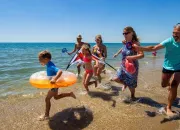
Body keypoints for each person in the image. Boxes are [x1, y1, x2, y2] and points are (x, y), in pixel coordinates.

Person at [133, 23, 180, 116]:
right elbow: (154, 48)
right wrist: (140, 48)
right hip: (167, 66)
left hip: (178, 67)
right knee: (164, 84)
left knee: (174, 85)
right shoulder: (169, 41)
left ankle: (169, 108)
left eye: (176, 33)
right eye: (173, 32)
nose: (174, 34)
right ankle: (170, 86)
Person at [38, 50, 76, 121]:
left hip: (54, 85)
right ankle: (70, 94)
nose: (39, 60)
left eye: (40, 59)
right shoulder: (49, 64)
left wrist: (54, 79)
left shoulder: (50, 66)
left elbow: (60, 71)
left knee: (47, 99)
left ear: (46, 59)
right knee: (56, 97)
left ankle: (46, 115)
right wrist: (44, 64)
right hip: (54, 85)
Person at [111, 26, 144, 100]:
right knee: (116, 78)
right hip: (123, 66)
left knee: (131, 85)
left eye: (126, 33)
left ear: (132, 33)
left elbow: (142, 55)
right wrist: (117, 53)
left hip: (132, 67)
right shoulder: (126, 42)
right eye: (123, 33)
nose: (124, 35)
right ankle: (125, 84)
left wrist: (131, 57)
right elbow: (123, 48)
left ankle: (133, 96)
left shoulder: (135, 44)